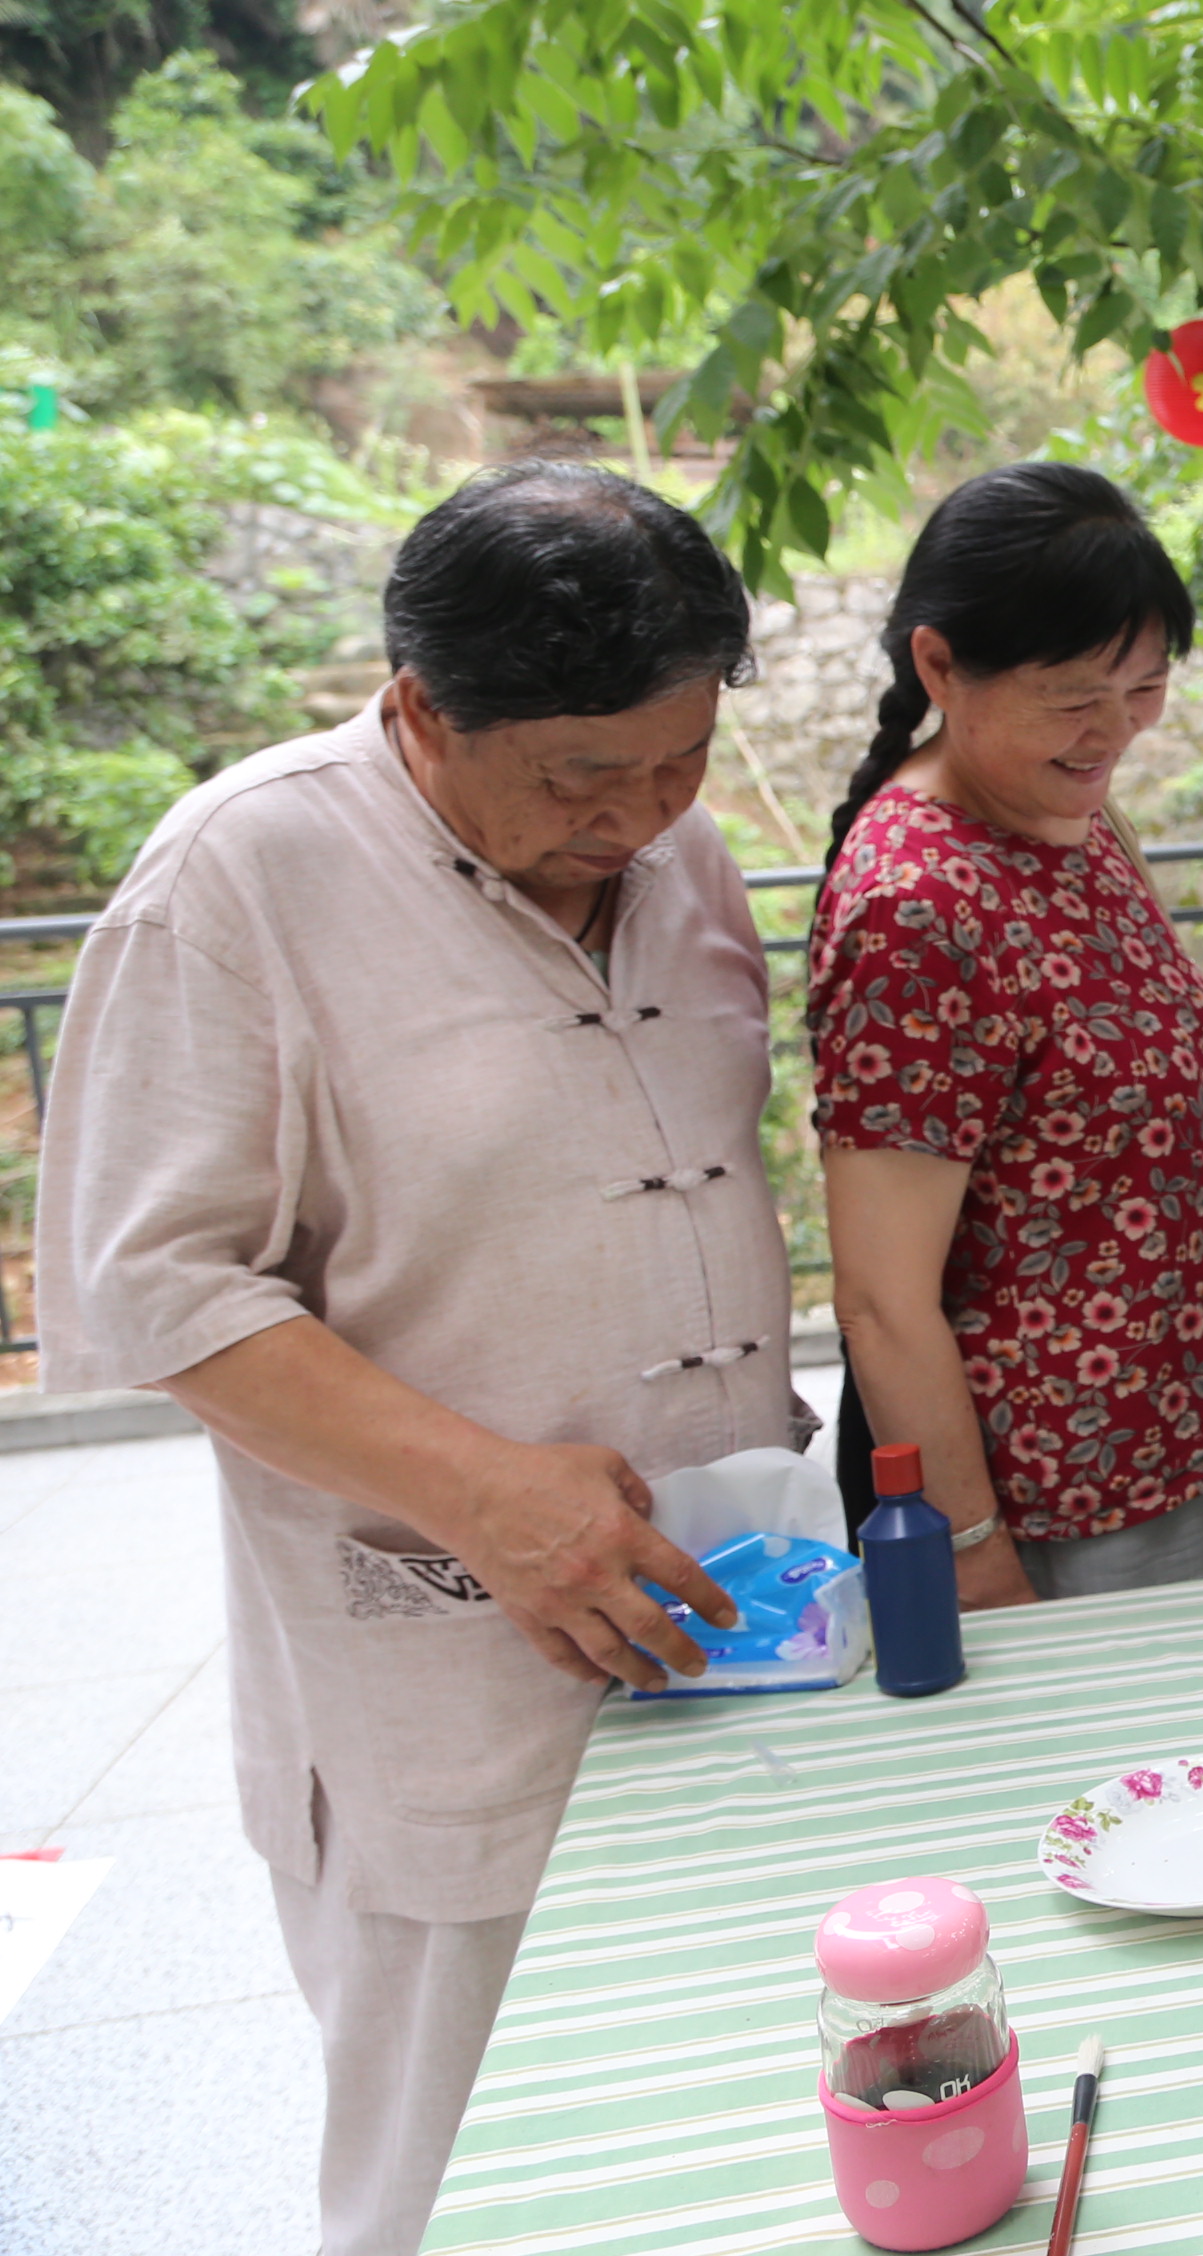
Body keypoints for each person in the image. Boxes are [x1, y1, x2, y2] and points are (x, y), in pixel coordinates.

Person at [34, 463, 790, 2256]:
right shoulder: (241, 876)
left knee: (725, 2137)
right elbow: (148, 1282)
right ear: (419, 711)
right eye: (581, 777)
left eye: (678, 760)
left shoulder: (681, 855)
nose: (644, 814)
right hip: (444, 1661)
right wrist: (486, 1494)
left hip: (728, 1616)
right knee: (456, 2176)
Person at [811, 462, 1203, 1605]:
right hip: (1067, 1501)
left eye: (1146, 686)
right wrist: (972, 1555)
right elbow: (882, 1298)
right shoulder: (914, 904)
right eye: (1075, 692)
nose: (1116, 730)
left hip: (1201, 1438)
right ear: (939, 665)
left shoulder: (1074, 816)